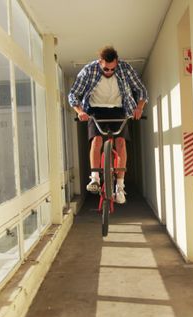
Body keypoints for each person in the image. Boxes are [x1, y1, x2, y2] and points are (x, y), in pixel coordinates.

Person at [68, 46, 148, 204]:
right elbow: (73, 94)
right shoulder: (89, 70)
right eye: (106, 68)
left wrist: (139, 107)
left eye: (113, 69)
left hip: (119, 110)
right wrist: (79, 111)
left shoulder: (125, 69)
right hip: (95, 110)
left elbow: (141, 90)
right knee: (97, 140)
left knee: (121, 143)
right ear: (100, 62)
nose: (109, 72)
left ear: (117, 63)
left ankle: (119, 185)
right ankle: (95, 178)